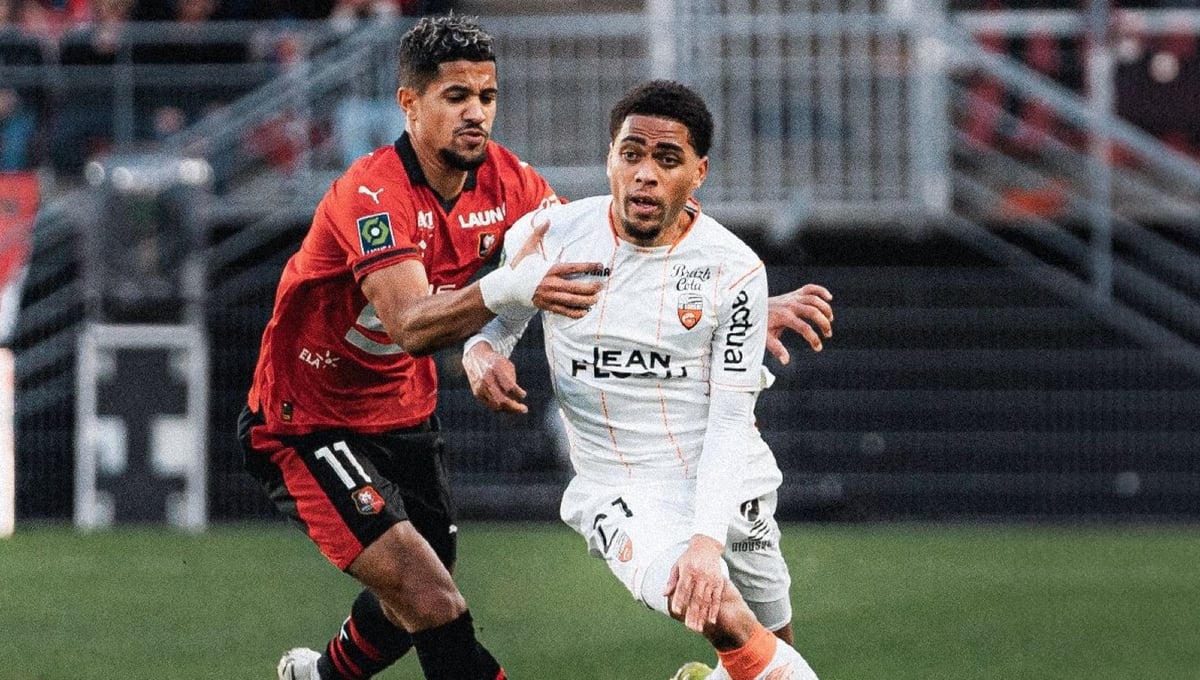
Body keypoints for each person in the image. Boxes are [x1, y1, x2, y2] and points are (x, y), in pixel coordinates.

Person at [240, 14, 831, 680]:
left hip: (402, 411)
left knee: (414, 593)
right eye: (455, 96)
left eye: (486, 96)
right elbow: (410, 324)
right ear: (409, 103)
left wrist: (736, 309)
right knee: (431, 599)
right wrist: (504, 296)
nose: (476, 113)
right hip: (307, 420)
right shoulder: (372, 195)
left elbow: (597, 258)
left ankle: (320, 677)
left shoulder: (509, 183)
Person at [463, 81, 831, 680]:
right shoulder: (553, 235)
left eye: (667, 159)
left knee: (774, 644)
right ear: (609, 157)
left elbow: (730, 420)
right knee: (724, 613)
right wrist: (481, 352)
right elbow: (501, 317)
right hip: (619, 487)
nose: (645, 174)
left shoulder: (734, 269)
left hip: (724, 474)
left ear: (698, 172)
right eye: (631, 154)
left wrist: (707, 543)